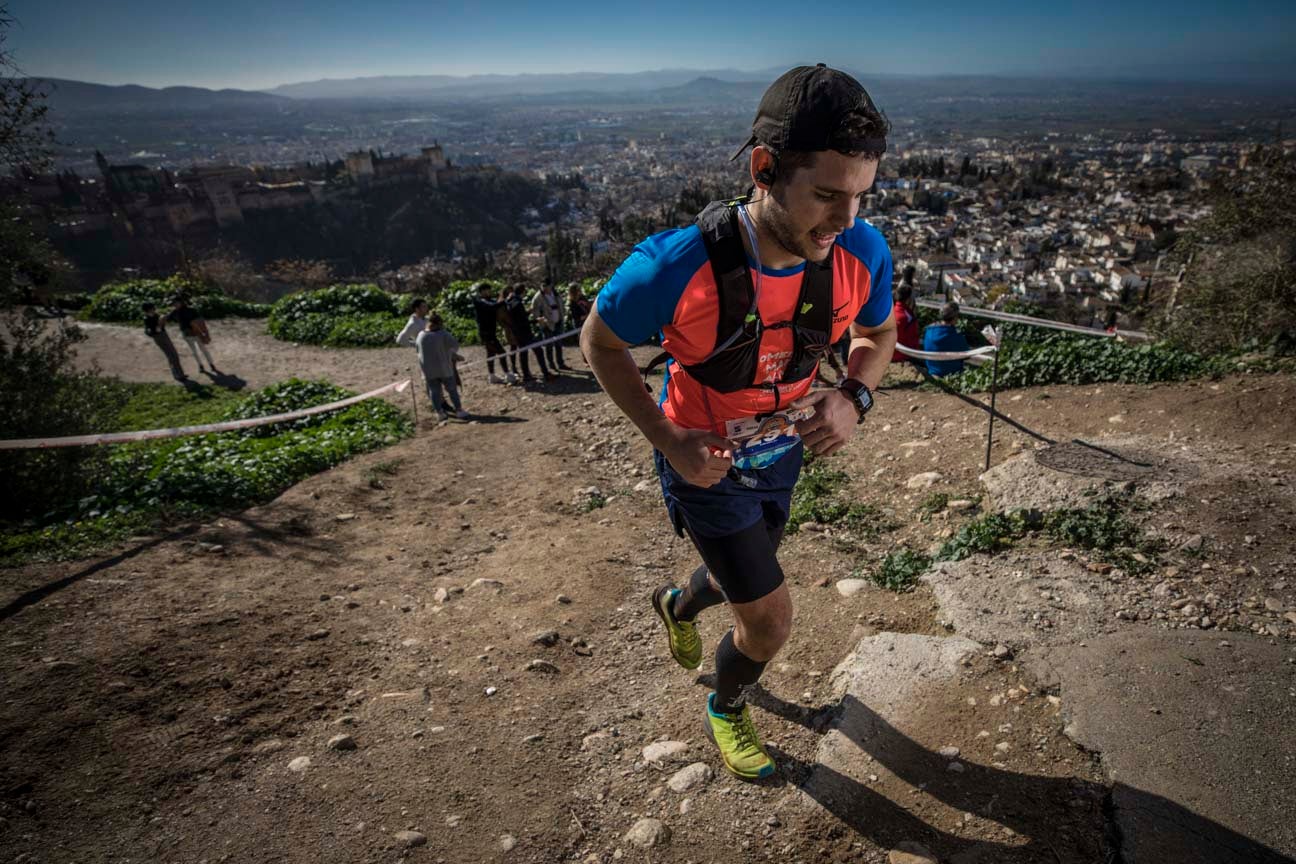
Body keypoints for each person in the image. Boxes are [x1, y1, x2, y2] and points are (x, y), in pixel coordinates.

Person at [580, 64, 896, 781]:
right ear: (763, 169)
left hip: (781, 457)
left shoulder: (861, 252)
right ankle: (726, 705)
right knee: (769, 619)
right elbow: (599, 341)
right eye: (825, 196)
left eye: (860, 197)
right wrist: (668, 440)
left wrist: (852, 395)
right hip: (706, 465)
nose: (845, 221)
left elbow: (878, 337)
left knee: (734, 581)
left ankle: (677, 603)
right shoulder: (673, 266)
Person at [416, 314, 468, 421]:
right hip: (444, 369)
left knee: (434, 392)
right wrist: (453, 355)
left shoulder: (420, 335)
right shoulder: (443, 334)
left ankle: (439, 413)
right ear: (438, 323)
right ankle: (459, 410)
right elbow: (455, 345)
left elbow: (418, 351)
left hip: (428, 371)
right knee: (452, 390)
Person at [505, 286, 554, 384]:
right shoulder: (518, 303)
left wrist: (527, 312)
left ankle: (526, 375)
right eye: (524, 293)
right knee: (538, 350)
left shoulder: (511, 302)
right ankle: (545, 373)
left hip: (517, 332)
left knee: (523, 353)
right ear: (522, 292)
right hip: (525, 332)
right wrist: (537, 320)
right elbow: (523, 321)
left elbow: (519, 317)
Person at [473, 283, 515, 384]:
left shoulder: (489, 300)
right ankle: (508, 374)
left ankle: (492, 376)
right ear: (482, 291)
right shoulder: (479, 302)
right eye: (487, 290)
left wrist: (504, 299)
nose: (490, 292)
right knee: (502, 352)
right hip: (486, 333)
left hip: (491, 332)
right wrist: (506, 300)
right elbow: (492, 307)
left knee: (490, 353)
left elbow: (496, 303)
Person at [167, 295, 217, 373]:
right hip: (186, 334)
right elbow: (168, 319)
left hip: (196, 333)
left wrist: (205, 333)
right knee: (194, 351)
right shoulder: (174, 312)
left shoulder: (191, 310)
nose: (174, 305)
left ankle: (211, 364)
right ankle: (200, 365)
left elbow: (201, 321)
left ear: (181, 302)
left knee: (203, 349)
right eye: (173, 303)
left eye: (176, 303)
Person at [921, 301, 970, 377]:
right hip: (951, 373)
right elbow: (967, 355)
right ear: (955, 317)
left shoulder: (929, 331)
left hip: (932, 371)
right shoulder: (956, 336)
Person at [143, 302, 186, 381]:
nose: (154, 310)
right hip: (158, 337)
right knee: (171, 355)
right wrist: (155, 330)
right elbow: (148, 331)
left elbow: (162, 322)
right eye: (152, 309)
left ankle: (178, 374)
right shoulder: (147, 319)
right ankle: (179, 375)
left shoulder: (156, 315)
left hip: (164, 335)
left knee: (173, 354)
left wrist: (163, 321)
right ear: (148, 310)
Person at [530, 283, 570, 370]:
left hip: (558, 322)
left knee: (559, 344)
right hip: (547, 325)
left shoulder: (556, 294)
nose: (545, 288)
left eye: (546, 286)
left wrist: (562, 316)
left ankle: (560, 363)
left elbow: (561, 305)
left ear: (550, 286)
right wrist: (541, 321)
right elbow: (535, 311)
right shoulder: (538, 297)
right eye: (543, 286)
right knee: (549, 346)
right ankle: (551, 364)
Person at [891, 280, 921, 364]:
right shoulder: (907, 317)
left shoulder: (893, 311)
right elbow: (913, 339)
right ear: (908, 298)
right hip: (903, 355)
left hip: (891, 352)